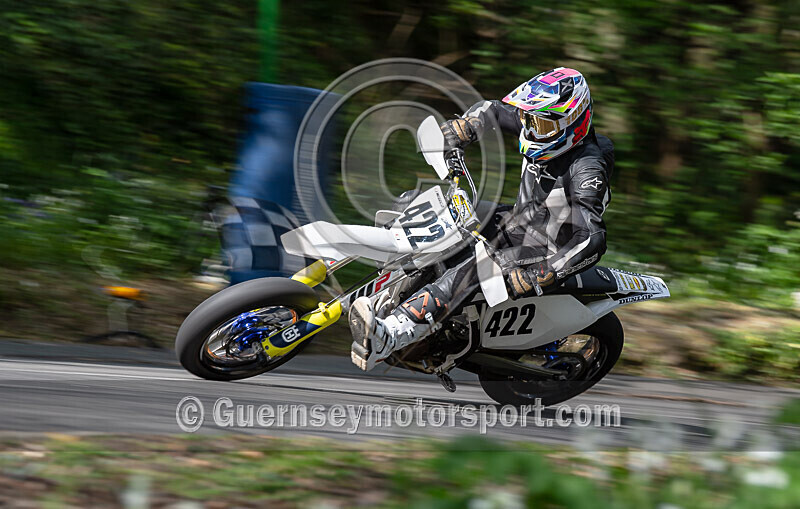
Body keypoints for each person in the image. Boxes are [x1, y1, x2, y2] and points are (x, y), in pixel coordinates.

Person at [350, 67, 615, 371]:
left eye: (539, 123)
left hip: (547, 246)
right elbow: (495, 110)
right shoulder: (545, 125)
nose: (530, 129)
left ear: (573, 121)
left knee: (474, 269)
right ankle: (390, 289)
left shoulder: (587, 168)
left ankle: (394, 334)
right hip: (520, 218)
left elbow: (592, 239)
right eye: (530, 120)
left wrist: (541, 274)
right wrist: (465, 126)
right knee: (427, 206)